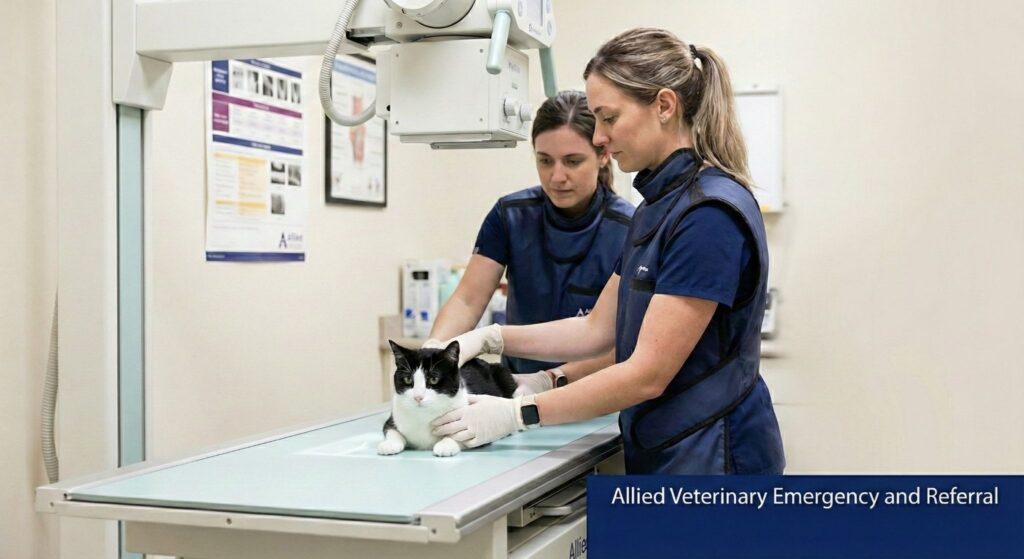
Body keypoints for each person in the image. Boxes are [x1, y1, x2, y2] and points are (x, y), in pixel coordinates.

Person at [432, 28, 785, 475]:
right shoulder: (657, 208)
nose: (598, 136)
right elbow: (596, 330)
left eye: (608, 118)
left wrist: (517, 413)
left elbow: (647, 373)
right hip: (667, 446)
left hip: (713, 456)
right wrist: (491, 338)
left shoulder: (707, 216)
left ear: (664, 106)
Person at [423, 90, 635, 395]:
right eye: (545, 161)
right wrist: (433, 353)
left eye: (573, 161)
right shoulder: (510, 216)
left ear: (603, 155)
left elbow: (625, 340)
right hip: (516, 388)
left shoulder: (630, 229)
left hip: (593, 392)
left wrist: (551, 378)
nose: (557, 176)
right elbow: (467, 301)